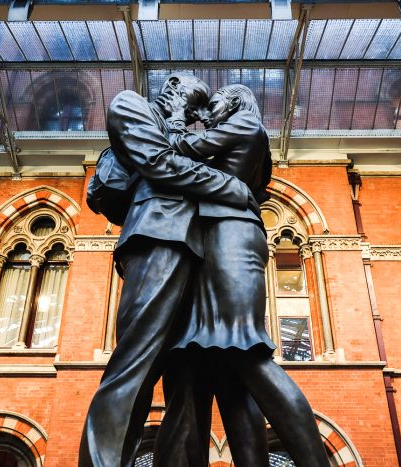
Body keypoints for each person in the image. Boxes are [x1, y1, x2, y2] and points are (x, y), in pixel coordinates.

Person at [80, 75, 260, 467]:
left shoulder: (183, 130)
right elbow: (160, 163)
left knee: (189, 382)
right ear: (172, 84)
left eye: (197, 109)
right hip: (158, 237)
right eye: (192, 101)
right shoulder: (131, 104)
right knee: (135, 365)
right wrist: (230, 186)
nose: (194, 113)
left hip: (198, 253)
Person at [154, 84, 332, 467]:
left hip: (230, 235)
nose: (210, 110)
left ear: (233, 101)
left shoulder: (245, 123)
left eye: (214, 103)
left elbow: (179, 153)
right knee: (221, 375)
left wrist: (177, 117)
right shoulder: (237, 135)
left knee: (243, 349)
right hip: (213, 239)